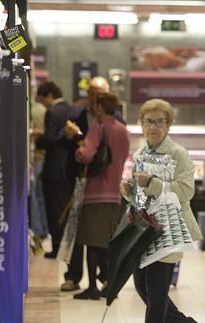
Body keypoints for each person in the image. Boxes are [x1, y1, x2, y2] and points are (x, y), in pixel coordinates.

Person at [120, 99, 201, 323]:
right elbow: (140, 196)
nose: (154, 127)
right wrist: (128, 191)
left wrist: (152, 183)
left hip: (168, 232)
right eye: (149, 122)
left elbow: (185, 192)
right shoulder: (139, 155)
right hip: (144, 231)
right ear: (141, 124)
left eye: (159, 122)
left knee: (156, 294)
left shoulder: (178, 154)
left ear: (168, 125)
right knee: (142, 287)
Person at [60, 76, 121, 292]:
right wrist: (69, 137)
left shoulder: (110, 120)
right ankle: (73, 275)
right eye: (91, 92)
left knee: (97, 234)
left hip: (99, 183)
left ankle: (103, 277)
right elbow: (63, 144)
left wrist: (81, 143)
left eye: (99, 93)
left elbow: (88, 152)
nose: (94, 96)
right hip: (80, 180)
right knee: (77, 230)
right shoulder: (76, 113)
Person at [72, 93, 130, 300]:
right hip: (114, 193)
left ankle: (92, 288)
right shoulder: (123, 130)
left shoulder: (98, 128)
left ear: (99, 109)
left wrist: (79, 150)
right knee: (107, 241)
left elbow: (86, 154)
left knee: (90, 241)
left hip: (95, 192)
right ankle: (109, 284)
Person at [35, 81, 75, 259]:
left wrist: (38, 140)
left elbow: (50, 138)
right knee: (65, 212)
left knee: (54, 211)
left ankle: (57, 248)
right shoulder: (72, 109)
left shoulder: (52, 112)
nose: (43, 104)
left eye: (42, 99)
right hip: (69, 169)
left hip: (53, 169)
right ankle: (67, 247)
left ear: (49, 96)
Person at [29, 99, 48, 255]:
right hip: (44, 158)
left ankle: (37, 230)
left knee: (34, 196)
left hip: (35, 157)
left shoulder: (32, 111)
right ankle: (43, 229)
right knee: (40, 196)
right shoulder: (42, 109)